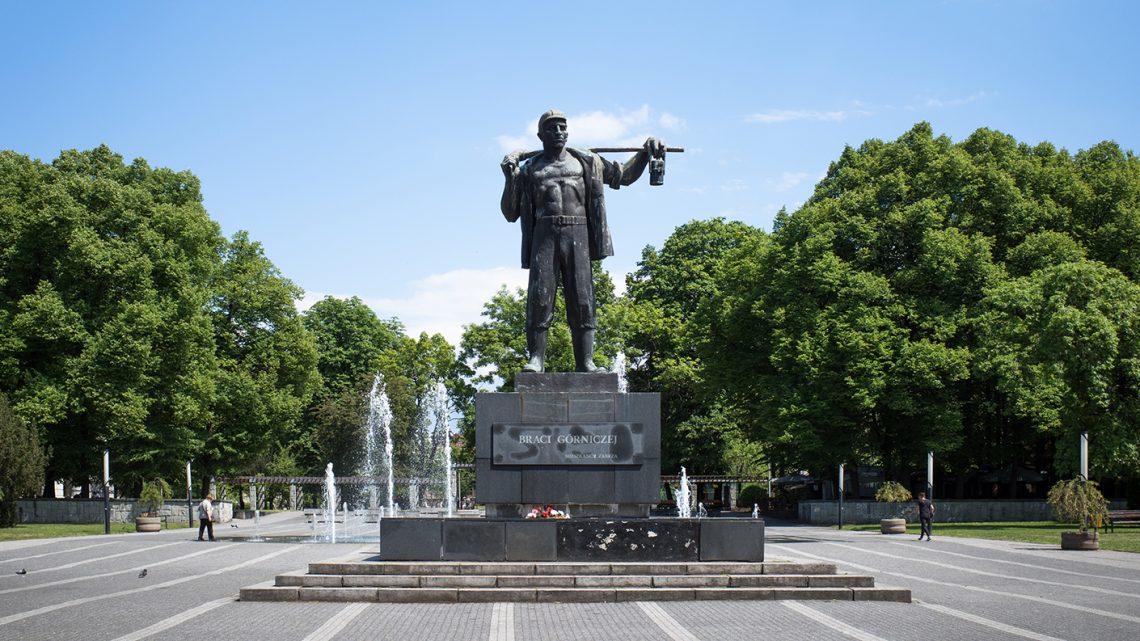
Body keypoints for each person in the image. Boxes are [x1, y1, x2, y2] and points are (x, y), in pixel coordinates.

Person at [501, 109, 664, 372]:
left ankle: (586, 362)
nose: (558, 132)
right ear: (540, 135)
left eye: (562, 127)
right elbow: (510, 213)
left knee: (583, 299)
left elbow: (624, 175)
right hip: (544, 234)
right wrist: (510, 178)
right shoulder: (530, 168)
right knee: (540, 298)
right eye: (552, 128)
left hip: (578, 233)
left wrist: (646, 152)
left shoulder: (587, 161)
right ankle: (536, 359)